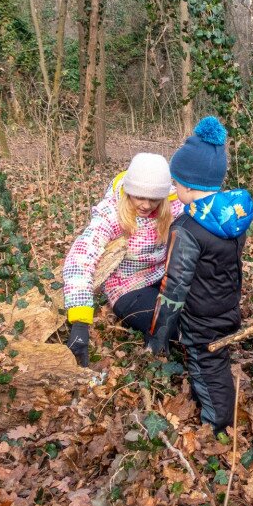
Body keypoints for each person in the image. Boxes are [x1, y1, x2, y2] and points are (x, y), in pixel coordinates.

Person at [148, 117, 253, 434]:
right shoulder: (233, 216)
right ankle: (212, 403)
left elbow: (174, 286)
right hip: (226, 306)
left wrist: (159, 335)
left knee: (206, 363)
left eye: (176, 185)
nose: (174, 190)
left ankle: (219, 424)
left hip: (200, 316)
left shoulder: (186, 229)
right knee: (216, 360)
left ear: (189, 187)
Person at [62, 153, 184, 367]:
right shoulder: (111, 213)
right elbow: (80, 257)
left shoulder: (174, 205)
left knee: (200, 317)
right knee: (172, 324)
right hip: (128, 287)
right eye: (139, 197)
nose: (146, 205)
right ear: (128, 191)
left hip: (165, 278)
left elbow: (204, 212)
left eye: (154, 199)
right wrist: (80, 321)